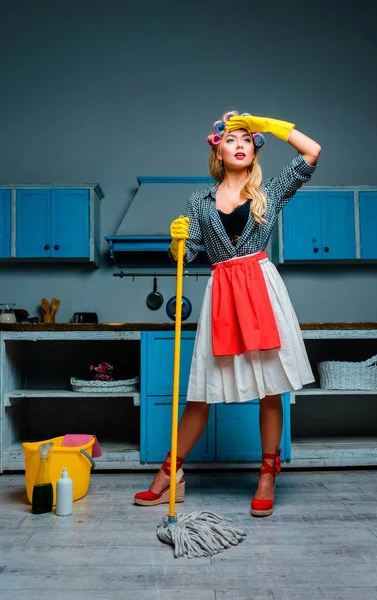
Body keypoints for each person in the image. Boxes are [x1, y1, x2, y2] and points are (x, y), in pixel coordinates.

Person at [134, 111, 321, 516]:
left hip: (261, 288)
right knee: (201, 393)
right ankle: (171, 474)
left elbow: (312, 151)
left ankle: (268, 474)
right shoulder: (198, 201)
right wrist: (177, 243)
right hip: (222, 293)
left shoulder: (270, 191)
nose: (239, 144)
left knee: (272, 388)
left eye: (247, 140)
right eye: (231, 139)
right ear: (217, 149)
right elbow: (189, 254)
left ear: (255, 149)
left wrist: (268, 124)